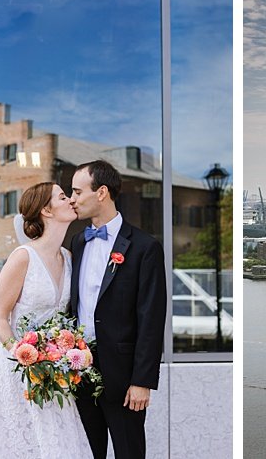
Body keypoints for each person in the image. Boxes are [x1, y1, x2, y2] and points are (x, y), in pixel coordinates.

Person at [67, 160, 167, 459]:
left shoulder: (144, 246)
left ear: (101, 193)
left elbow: (151, 317)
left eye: (77, 191)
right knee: (87, 453)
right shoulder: (77, 242)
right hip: (79, 370)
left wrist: (142, 381)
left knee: (129, 452)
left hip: (124, 377)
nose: (72, 199)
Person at [0, 182, 93, 457]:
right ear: (46, 209)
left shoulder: (68, 258)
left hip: (54, 374)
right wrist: (22, 355)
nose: (71, 200)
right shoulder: (23, 257)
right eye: (62, 196)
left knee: (60, 446)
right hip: (17, 371)